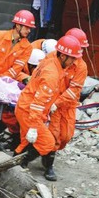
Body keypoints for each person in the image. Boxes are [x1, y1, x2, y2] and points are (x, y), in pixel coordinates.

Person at [14, 35, 82, 175]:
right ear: (63, 56)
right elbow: (38, 103)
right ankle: (17, 163)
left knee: (26, 141)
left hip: (27, 107)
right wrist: (33, 126)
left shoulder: (51, 61)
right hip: (30, 111)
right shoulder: (52, 74)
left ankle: (16, 163)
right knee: (47, 143)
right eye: (72, 58)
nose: (74, 61)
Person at [47, 28, 89, 181]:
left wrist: (58, 102)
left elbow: (74, 90)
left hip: (67, 105)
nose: (81, 53)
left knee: (65, 136)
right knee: (53, 135)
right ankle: (48, 164)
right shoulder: (53, 58)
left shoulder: (81, 67)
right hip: (52, 101)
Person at [0, 48, 46, 151]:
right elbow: (13, 73)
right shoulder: (20, 65)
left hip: (24, 101)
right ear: (30, 65)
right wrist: (24, 78)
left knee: (20, 123)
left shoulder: (39, 70)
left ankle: (15, 143)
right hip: (10, 99)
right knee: (8, 118)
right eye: (36, 68)